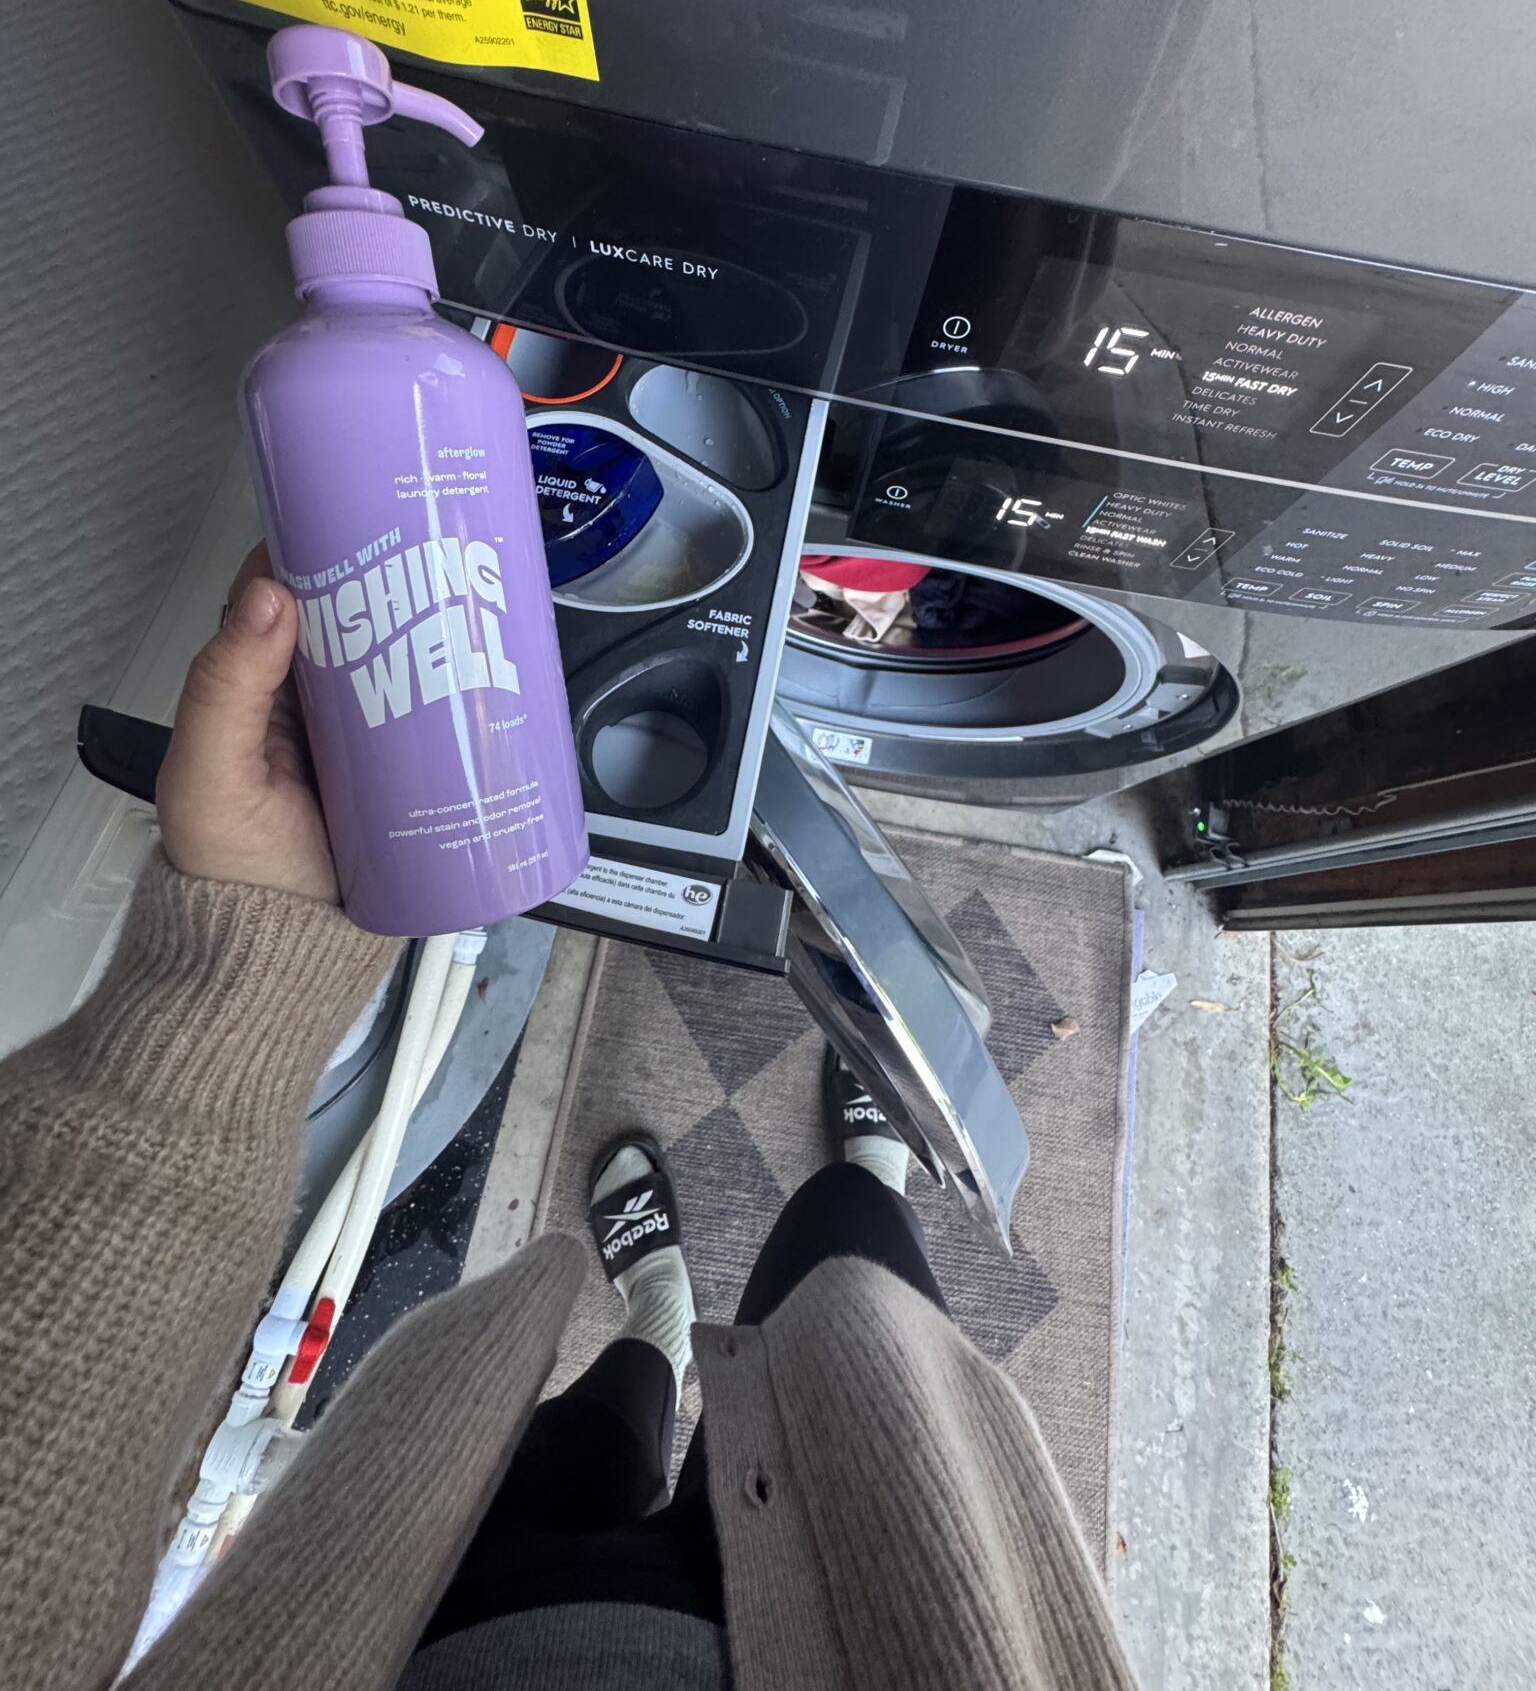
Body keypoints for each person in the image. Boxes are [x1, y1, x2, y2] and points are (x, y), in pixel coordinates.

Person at [0, 565, 1139, 1691]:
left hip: (476, 1621)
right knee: (851, 1247)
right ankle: (862, 1170)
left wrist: (240, 966)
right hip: (886, 1641)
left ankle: (658, 1314)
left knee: (594, 1425)